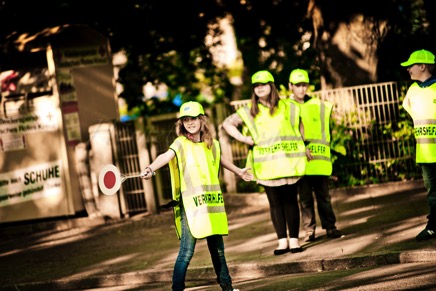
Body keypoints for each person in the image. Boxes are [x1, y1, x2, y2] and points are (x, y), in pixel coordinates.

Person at [141, 101, 252, 291]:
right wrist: (151, 168)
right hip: (190, 206)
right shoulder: (180, 144)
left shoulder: (213, 145)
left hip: (211, 205)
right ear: (181, 123)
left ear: (202, 120)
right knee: (186, 252)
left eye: (193, 118)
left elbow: (222, 161)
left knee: (218, 251)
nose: (190, 123)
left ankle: (227, 287)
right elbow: (165, 156)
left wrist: (239, 171)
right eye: (185, 120)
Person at [222, 70, 307, 255]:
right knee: (275, 203)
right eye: (255, 85)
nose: (259, 88)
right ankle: (282, 242)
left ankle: (294, 241)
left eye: (263, 84)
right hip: (266, 166)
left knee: (291, 202)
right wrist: (244, 139)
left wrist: (304, 145)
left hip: (288, 163)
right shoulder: (249, 111)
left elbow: (299, 126)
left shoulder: (288, 106)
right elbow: (227, 124)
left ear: (271, 86)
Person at [288, 69, 342, 242]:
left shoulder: (319, 105)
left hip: (318, 160)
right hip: (299, 161)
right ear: (290, 87)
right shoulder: (285, 108)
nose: (302, 89)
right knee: (304, 199)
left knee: (323, 196)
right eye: (298, 85)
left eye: (304, 85)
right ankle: (309, 230)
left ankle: (330, 227)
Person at [400, 49, 436, 241]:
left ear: (423, 66)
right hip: (425, 154)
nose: (408, 70)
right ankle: (433, 226)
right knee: (432, 193)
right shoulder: (412, 91)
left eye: (410, 66)